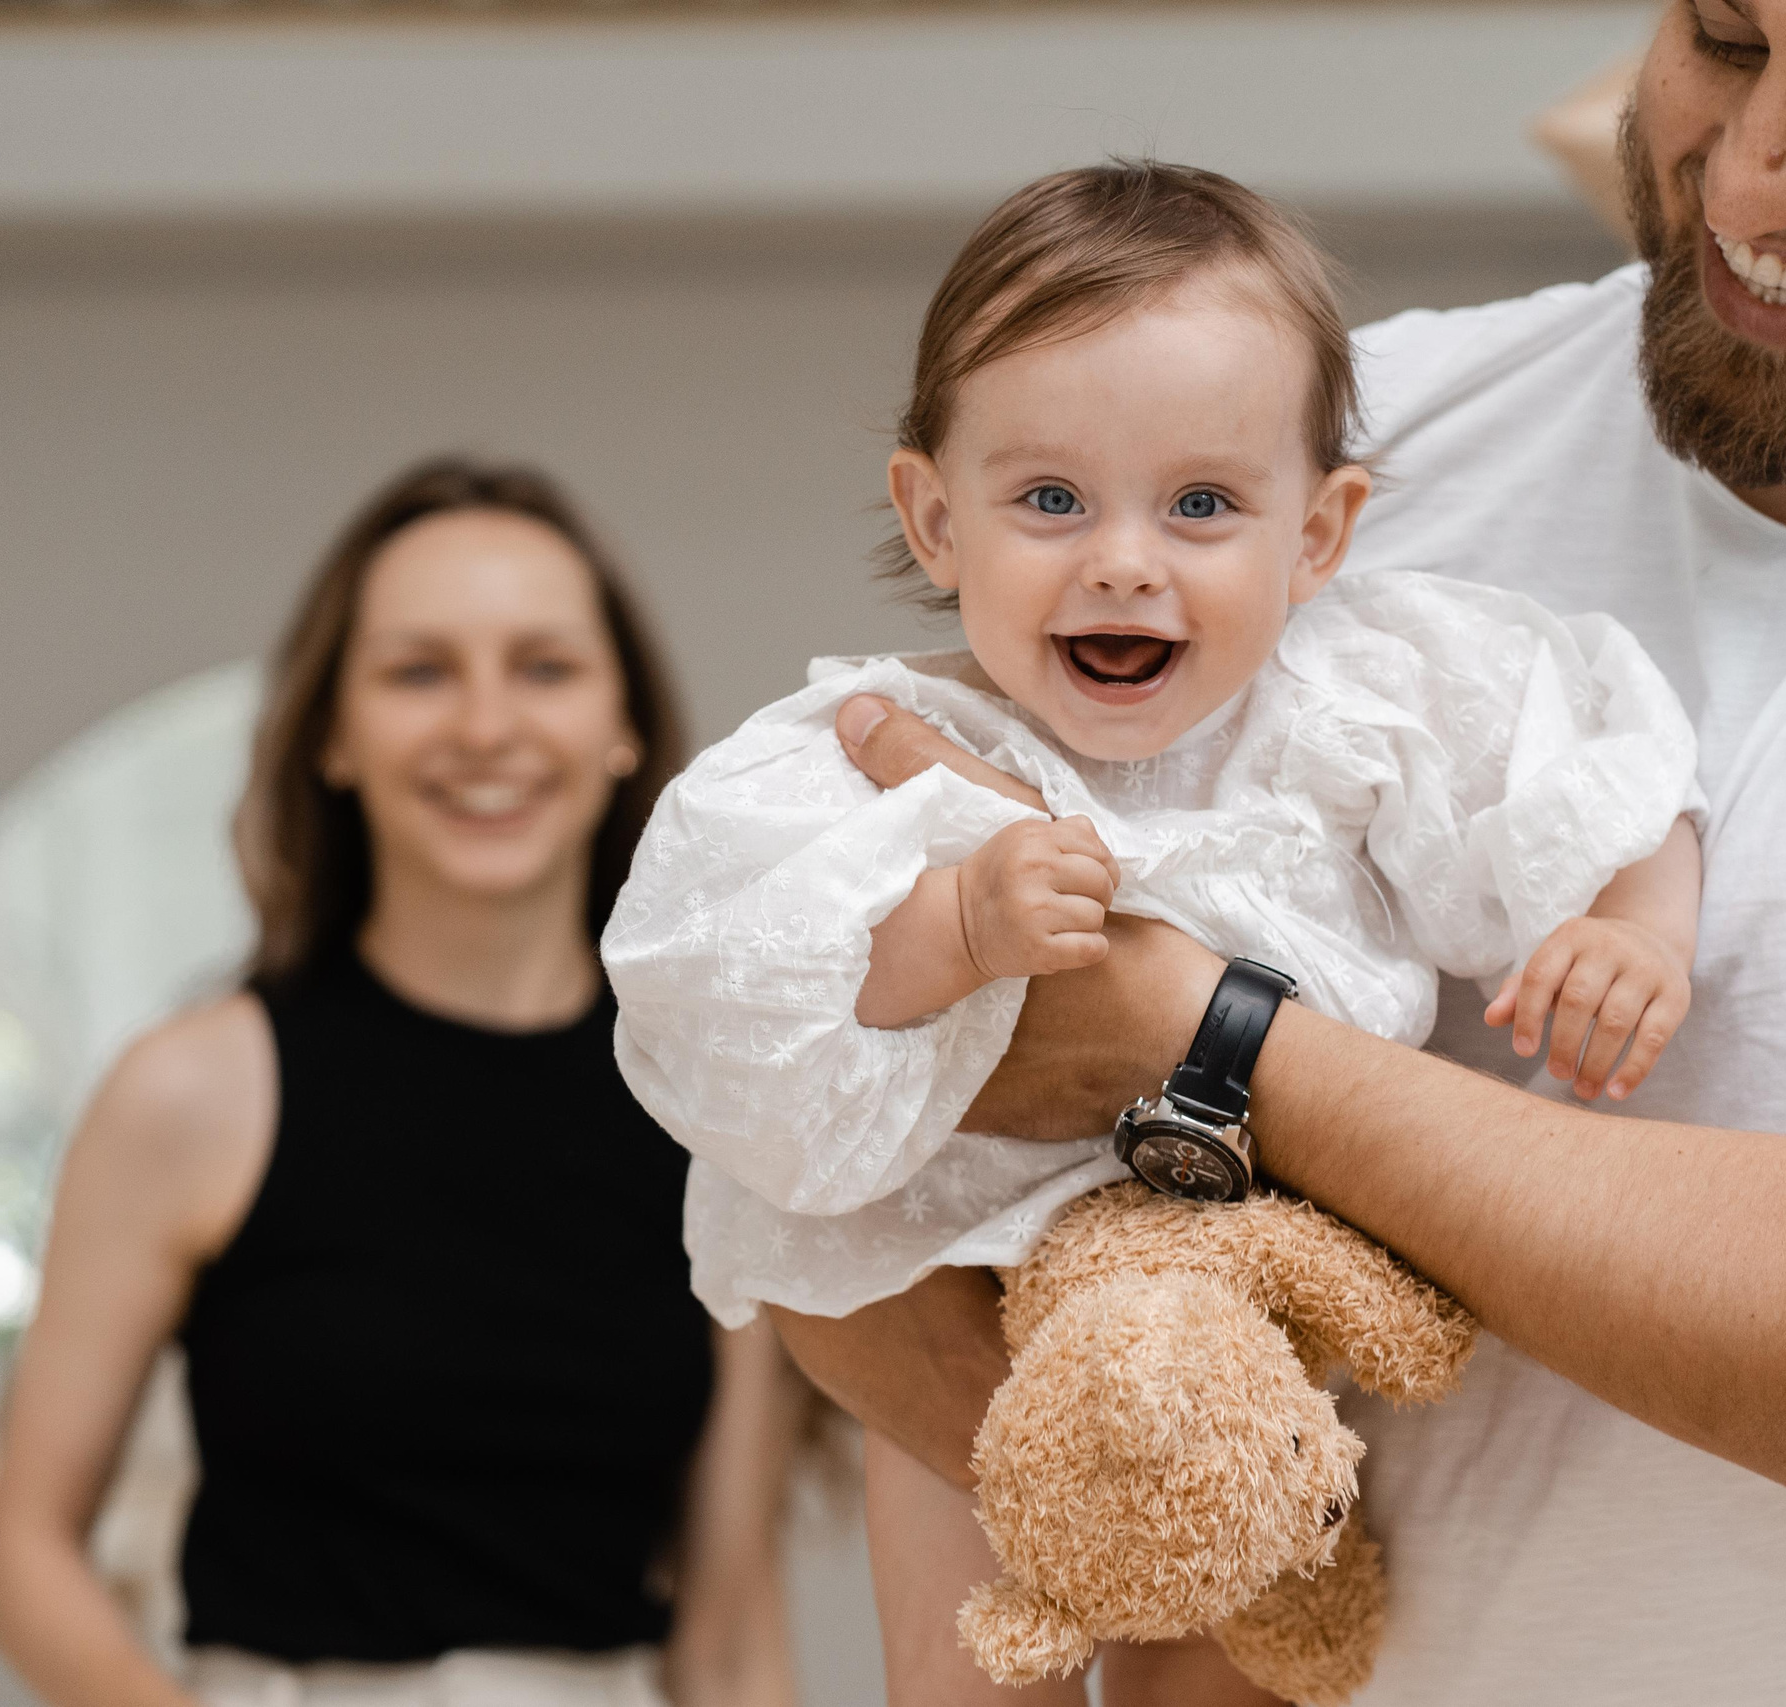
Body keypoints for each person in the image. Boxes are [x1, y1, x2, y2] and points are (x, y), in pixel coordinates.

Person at [776, 1, 1786, 1702]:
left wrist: (1206, 1040)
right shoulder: (1340, 452)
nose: (1759, 172)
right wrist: (1189, 1506)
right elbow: (828, 1162)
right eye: (1719, 37)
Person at [602, 163, 1702, 1704]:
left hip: (1232, 1298)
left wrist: (1635, 927)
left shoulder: (1363, 701)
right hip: (962, 1265)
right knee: (974, 1645)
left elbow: (1604, 783)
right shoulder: (874, 742)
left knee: (1230, 1634)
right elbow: (739, 993)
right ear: (936, 517)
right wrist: (958, 921)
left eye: (1202, 504)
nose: (1125, 557)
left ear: (1318, 534)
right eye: (1050, 499)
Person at [0, 458, 802, 1707]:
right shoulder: (197, 1092)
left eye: (544, 667)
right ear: (334, 736)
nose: (484, 726)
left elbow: (729, 1639)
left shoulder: (716, 1111)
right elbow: (20, 1560)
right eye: (419, 671)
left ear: (621, 726)